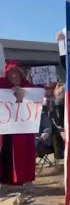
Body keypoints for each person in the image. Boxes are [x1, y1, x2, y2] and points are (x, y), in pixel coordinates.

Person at [0, 61, 36, 189]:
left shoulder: (28, 86)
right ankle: (3, 181)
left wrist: (23, 94)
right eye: (11, 73)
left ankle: (26, 180)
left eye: (16, 72)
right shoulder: (2, 85)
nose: (14, 75)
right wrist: (10, 93)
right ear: (7, 74)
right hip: (5, 130)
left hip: (23, 129)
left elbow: (39, 97)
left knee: (24, 153)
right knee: (4, 153)